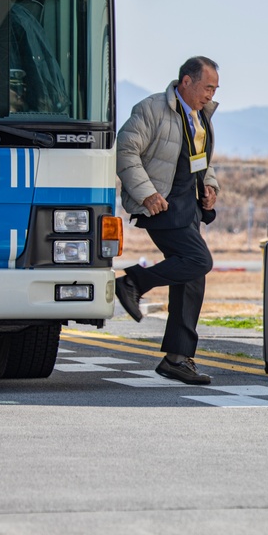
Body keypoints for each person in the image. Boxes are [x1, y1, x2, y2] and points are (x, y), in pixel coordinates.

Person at [114, 56, 221, 385]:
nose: (210, 95)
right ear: (186, 82)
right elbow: (126, 151)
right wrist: (147, 194)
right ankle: (133, 282)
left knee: (191, 279)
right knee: (199, 260)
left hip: (190, 209)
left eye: (215, 89)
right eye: (207, 87)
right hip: (161, 206)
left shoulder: (201, 116)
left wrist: (211, 187)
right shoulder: (151, 109)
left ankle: (177, 358)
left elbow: (203, 162)